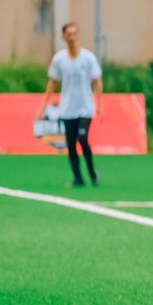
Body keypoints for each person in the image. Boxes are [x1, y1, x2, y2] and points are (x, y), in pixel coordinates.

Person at [37, 21, 103, 187]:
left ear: (78, 35)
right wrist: (43, 106)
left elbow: (97, 80)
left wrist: (100, 105)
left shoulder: (88, 58)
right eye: (69, 34)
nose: (72, 37)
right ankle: (78, 178)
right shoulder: (59, 59)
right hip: (67, 109)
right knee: (71, 144)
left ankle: (93, 173)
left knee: (83, 138)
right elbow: (53, 82)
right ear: (64, 37)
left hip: (85, 108)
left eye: (74, 34)